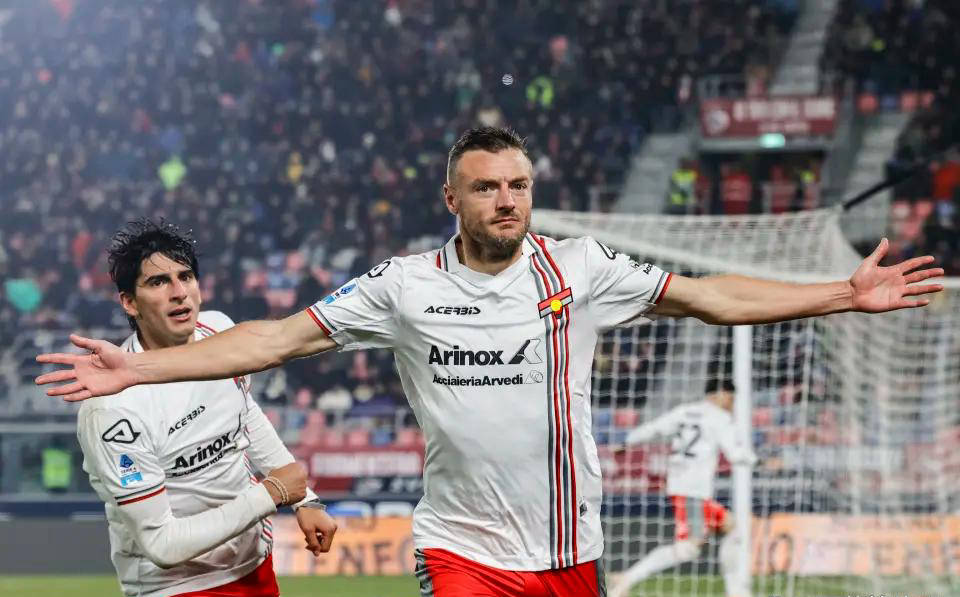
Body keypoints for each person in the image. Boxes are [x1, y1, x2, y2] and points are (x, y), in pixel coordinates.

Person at [37, 127, 943, 597]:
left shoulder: (580, 267)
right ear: (452, 197)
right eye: (486, 186)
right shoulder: (403, 286)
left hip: (571, 549)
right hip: (461, 549)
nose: (507, 200)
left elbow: (713, 296)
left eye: (518, 184)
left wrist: (840, 292)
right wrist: (138, 371)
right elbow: (271, 339)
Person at [73, 220, 337, 597]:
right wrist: (272, 493)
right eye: (158, 282)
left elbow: (245, 415)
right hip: (178, 585)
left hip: (256, 566)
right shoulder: (113, 410)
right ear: (129, 302)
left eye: (185, 277)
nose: (179, 293)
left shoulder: (219, 331)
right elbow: (162, 545)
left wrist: (305, 500)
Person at [609, 379, 755, 597]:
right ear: (722, 394)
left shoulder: (684, 411)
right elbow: (735, 454)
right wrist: (758, 460)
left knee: (731, 527)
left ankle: (737, 593)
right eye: (731, 399)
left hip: (679, 484)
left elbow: (654, 428)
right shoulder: (719, 417)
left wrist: (627, 441)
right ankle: (627, 578)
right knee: (688, 548)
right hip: (695, 491)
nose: (732, 404)